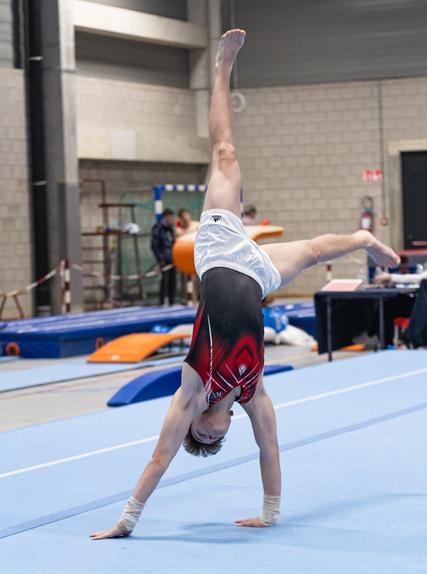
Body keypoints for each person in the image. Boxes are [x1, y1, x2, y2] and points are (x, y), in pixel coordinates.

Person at [91, 29, 400, 540]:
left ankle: (219, 69)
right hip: (254, 276)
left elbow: (159, 456)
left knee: (227, 153)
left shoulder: (191, 391)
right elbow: (271, 449)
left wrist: (126, 521)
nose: (219, 428)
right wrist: (270, 514)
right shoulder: (252, 393)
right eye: (221, 434)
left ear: (195, 424)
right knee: (318, 250)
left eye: (207, 435)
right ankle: (363, 237)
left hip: (217, 253)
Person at [150, 209, 176, 305]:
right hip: (163, 260)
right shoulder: (158, 228)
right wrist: (160, 260)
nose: (172, 220)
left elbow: (173, 243)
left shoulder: (171, 229)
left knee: (172, 281)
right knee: (164, 281)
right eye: (170, 218)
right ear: (166, 217)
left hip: (172, 259)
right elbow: (154, 246)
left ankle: (171, 301)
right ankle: (161, 302)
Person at [175, 209, 201, 303]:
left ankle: (198, 299)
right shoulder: (179, 231)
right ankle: (192, 300)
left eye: (187, 216)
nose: (186, 218)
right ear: (180, 218)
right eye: (183, 217)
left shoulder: (196, 226)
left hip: (199, 257)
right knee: (190, 281)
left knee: (199, 280)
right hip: (188, 259)